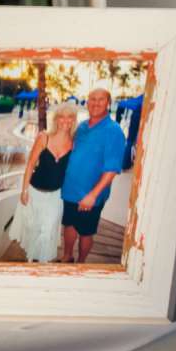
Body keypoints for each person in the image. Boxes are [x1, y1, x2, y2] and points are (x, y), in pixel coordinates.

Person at [58, 87, 131, 264]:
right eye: (92, 99)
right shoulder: (82, 126)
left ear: (108, 103)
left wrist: (92, 195)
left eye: (100, 99)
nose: (95, 103)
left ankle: (81, 263)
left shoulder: (113, 131)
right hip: (70, 190)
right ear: (87, 102)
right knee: (69, 225)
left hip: (91, 194)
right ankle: (67, 256)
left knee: (85, 232)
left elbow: (112, 169)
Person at [15, 100, 76, 264]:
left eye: (70, 117)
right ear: (56, 119)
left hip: (55, 196)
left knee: (48, 230)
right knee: (33, 228)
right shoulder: (44, 137)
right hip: (35, 192)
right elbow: (30, 165)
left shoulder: (74, 142)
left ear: (74, 120)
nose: (66, 121)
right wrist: (24, 190)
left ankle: (42, 263)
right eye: (62, 117)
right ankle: (31, 260)